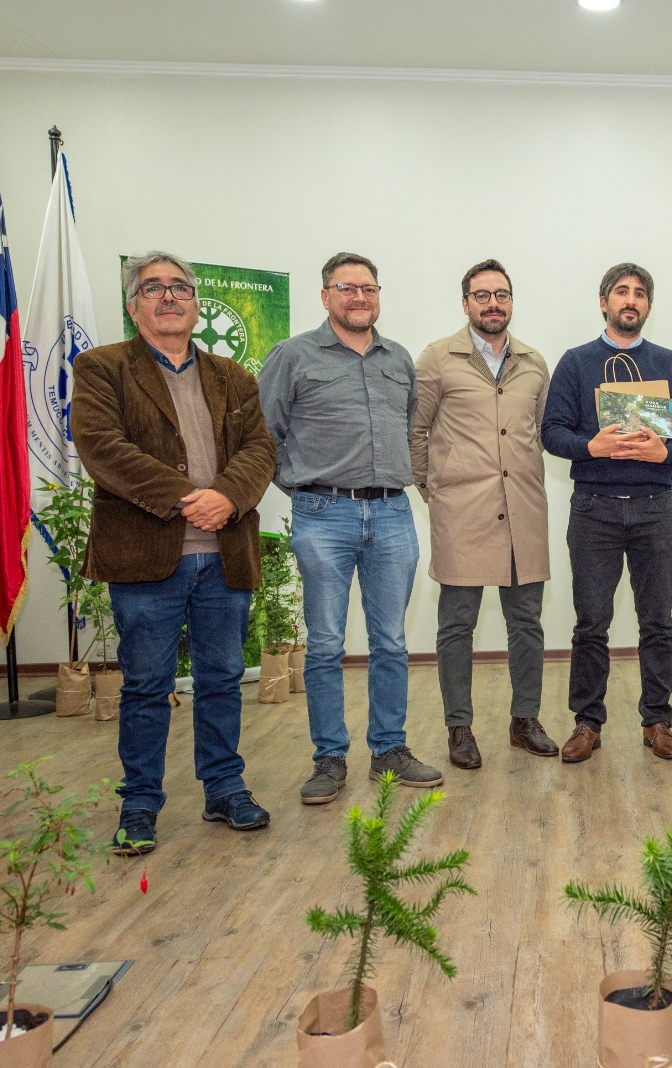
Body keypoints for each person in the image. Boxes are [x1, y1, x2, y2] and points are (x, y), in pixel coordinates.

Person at [72, 251, 277, 854]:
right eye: (153, 288)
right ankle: (139, 803)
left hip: (224, 553)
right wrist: (193, 497)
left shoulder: (233, 376)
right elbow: (101, 447)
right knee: (145, 685)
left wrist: (228, 499)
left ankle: (224, 788)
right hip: (145, 557)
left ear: (193, 301)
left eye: (179, 287)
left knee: (220, 679)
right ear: (133, 306)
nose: (169, 296)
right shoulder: (102, 368)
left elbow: (260, 449)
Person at [259, 252, 442, 805]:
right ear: (325, 296)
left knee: (390, 640)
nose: (359, 297)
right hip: (324, 516)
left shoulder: (400, 359)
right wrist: (303, 491)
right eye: (346, 288)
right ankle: (329, 758)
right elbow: (263, 433)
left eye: (368, 288)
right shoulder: (293, 356)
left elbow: (411, 427)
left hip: (391, 513)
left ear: (378, 295)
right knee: (326, 643)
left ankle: (389, 749)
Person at [540, 262, 672, 763]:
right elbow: (552, 433)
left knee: (658, 621)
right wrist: (591, 446)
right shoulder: (576, 362)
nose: (629, 300)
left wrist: (666, 452)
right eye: (620, 292)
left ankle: (657, 720)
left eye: (639, 294)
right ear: (604, 302)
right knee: (591, 621)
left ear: (648, 306)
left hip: (656, 509)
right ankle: (587, 722)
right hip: (594, 511)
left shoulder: (670, 363)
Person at [411, 259, 558, 770]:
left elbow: (541, 434)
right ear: (466, 303)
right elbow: (417, 431)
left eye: (501, 295)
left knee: (527, 623)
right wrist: (438, 491)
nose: (492, 303)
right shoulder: (436, 359)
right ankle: (459, 728)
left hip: (523, 513)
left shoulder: (535, 362)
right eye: (482, 295)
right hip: (462, 515)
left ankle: (525, 720)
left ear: (512, 301)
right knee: (457, 626)